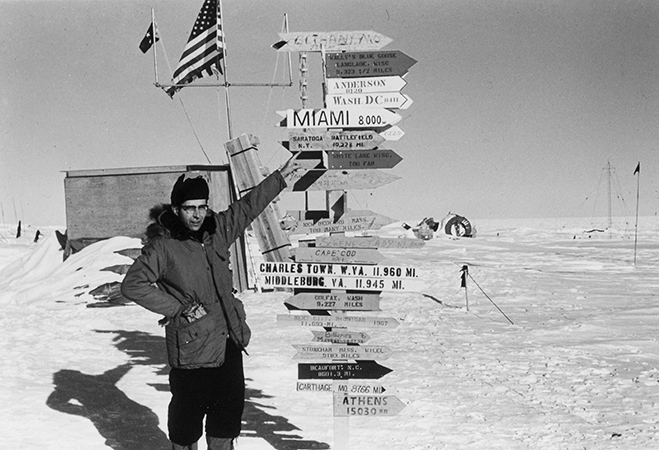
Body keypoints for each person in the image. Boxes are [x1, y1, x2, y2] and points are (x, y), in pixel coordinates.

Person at [121, 156, 301, 450]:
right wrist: (176, 309)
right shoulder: (164, 246)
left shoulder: (217, 231)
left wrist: (280, 177)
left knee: (225, 426)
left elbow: (247, 208)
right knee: (186, 431)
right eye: (189, 208)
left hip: (228, 343)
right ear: (176, 209)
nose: (196, 215)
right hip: (192, 352)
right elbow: (133, 284)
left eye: (202, 207)